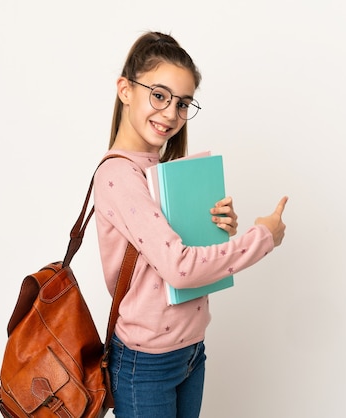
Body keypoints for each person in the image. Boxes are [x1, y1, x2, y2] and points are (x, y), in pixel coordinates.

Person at [93, 31, 288, 418]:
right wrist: (261, 236)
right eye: (160, 95)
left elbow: (171, 255)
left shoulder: (163, 170)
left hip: (190, 351)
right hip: (146, 364)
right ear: (125, 89)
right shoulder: (118, 175)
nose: (170, 113)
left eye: (182, 103)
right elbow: (180, 268)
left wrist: (216, 229)